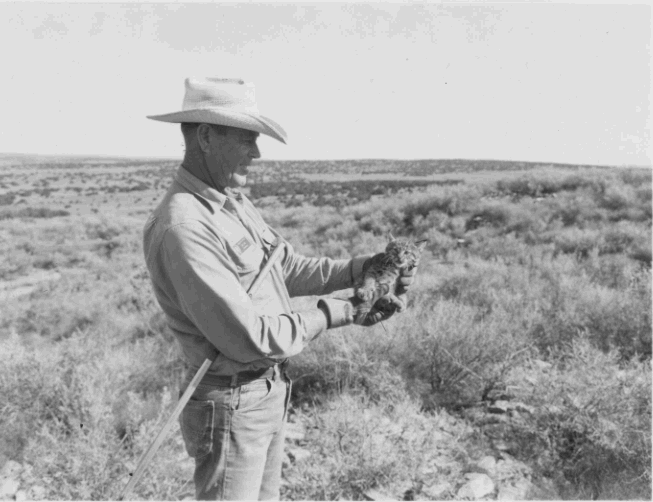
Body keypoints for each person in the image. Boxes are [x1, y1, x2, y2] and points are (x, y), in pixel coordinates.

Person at [142, 77, 418, 500]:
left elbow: (284, 267)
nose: (256, 153)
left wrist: (366, 269)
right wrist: (341, 312)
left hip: (264, 392)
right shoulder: (185, 227)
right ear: (206, 137)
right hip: (233, 402)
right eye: (247, 139)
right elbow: (251, 338)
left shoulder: (230, 201)